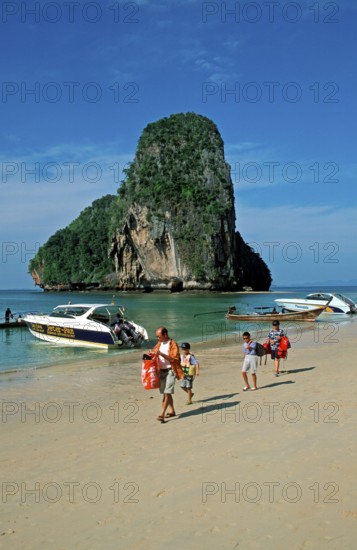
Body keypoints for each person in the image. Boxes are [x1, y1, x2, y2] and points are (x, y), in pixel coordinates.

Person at [151, 327, 180, 423]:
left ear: (165, 335)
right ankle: (172, 411)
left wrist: (161, 354)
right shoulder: (159, 344)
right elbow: (154, 352)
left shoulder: (173, 344)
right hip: (161, 371)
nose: (157, 338)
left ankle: (161, 414)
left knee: (167, 393)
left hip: (171, 370)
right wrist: (151, 354)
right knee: (165, 392)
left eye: (159, 336)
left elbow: (174, 359)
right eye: (157, 336)